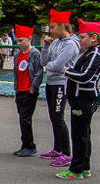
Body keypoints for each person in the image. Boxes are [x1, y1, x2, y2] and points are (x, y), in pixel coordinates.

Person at [56, 20, 100, 179]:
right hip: (80, 99)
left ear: (94, 38)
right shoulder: (90, 53)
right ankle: (84, 167)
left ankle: (76, 170)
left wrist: (67, 72)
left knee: (79, 135)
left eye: (83, 37)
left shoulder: (94, 55)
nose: (80, 40)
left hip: (84, 99)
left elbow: (85, 76)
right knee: (83, 133)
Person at [40, 9, 80, 167]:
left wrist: (50, 66)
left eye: (53, 27)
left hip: (61, 84)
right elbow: (44, 62)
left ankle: (67, 153)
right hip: (50, 83)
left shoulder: (71, 44)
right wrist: (45, 47)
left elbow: (57, 66)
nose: (50, 31)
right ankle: (57, 148)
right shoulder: (55, 42)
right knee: (53, 117)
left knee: (58, 117)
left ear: (62, 26)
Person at [12, 24, 43, 156]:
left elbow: (39, 72)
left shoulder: (34, 54)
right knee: (22, 119)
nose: (19, 43)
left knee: (25, 118)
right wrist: (16, 88)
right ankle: (25, 144)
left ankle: (29, 146)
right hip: (20, 90)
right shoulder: (18, 55)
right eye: (17, 41)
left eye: (21, 40)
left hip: (29, 90)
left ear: (29, 39)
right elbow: (16, 72)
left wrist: (33, 88)